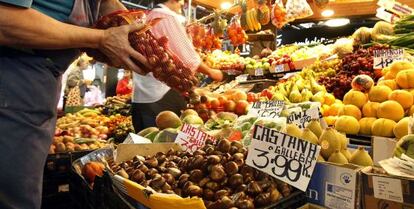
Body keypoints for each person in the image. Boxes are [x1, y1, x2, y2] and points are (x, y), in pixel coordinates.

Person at [0, 1, 149, 208]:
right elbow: (5, 19)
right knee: (13, 198)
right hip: (12, 79)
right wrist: (101, 39)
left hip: (41, 79)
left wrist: (132, 28)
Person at [131, 0, 224, 131]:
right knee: (169, 143)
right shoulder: (167, 17)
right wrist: (211, 72)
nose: (183, 5)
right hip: (162, 95)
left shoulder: (147, 17)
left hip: (141, 97)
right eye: (182, 2)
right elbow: (187, 57)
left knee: (145, 143)